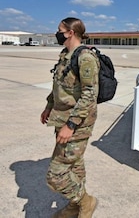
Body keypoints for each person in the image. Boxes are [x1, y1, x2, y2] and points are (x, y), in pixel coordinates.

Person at [40, 17, 100, 218]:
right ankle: (75, 206)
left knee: (55, 175)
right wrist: (49, 106)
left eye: (59, 30)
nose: (57, 33)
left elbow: (89, 95)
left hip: (77, 122)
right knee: (75, 165)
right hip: (61, 117)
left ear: (70, 33)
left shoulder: (85, 58)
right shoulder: (66, 55)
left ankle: (85, 201)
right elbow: (59, 85)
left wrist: (71, 125)